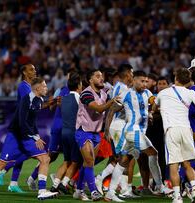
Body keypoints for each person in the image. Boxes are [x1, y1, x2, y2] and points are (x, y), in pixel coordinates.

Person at [0, 77, 58, 202]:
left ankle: (41, 191)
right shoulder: (26, 100)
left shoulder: (39, 99)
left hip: (27, 136)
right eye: (44, 86)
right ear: (37, 88)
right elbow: (22, 122)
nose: (47, 88)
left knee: (45, 158)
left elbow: (32, 121)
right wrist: (35, 137)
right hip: (15, 136)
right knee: (2, 163)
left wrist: (37, 136)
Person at [104, 71, 171, 202]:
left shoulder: (148, 93)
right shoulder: (126, 94)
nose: (145, 84)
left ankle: (110, 193)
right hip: (132, 131)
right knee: (153, 153)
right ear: (134, 81)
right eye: (142, 81)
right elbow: (112, 110)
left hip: (140, 131)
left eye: (146, 81)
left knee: (123, 161)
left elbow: (153, 103)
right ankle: (160, 186)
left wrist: (151, 113)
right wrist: (107, 130)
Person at [154, 68, 195, 203]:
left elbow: (154, 108)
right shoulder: (190, 93)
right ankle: (194, 189)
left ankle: (177, 196)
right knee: (187, 163)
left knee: (174, 165)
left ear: (176, 78)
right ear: (188, 80)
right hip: (187, 130)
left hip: (171, 131)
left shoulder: (163, 93)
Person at [27, 68, 76, 190]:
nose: (68, 79)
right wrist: (55, 103)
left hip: (63, 127)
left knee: (64, 157)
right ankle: (36, 178)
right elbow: (51, 108)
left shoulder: (63, 90)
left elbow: (51, 108)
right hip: (63, 127)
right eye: (68, 76)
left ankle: (59, 179)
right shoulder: (63, 90)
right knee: (56, 156)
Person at [73, 69, 119, 201]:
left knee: (88, 163)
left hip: (96, 133)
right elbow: (99, 109)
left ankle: (79, 190)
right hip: (83, 132)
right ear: (90, 80)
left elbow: (111, 109)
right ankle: (93, 192)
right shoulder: (86, 93)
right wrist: (112, 102)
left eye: (102, 76)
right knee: (89, 161)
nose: (101, 78)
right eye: (97, 76)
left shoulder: (104, 94)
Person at [96, 64, 135, 196]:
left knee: (121, 158)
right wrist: (107, 129)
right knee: (123, 158)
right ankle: (102, 180)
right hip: (118, 126)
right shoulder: (122, 89)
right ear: (127, 74)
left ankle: (116, 186)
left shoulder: (119, 87)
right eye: (132, 73)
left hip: (118, 125)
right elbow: (113, 109)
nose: (133, 76)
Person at [0, 64, 37, 193]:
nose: (34, 71)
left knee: (24, 152)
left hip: (25, 125)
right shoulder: (23, 86)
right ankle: (3, 171)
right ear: (25, 73)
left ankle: (13, 183)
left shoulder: (29, 87)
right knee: (28, 152)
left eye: (35, 69)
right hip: (21, 126)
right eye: (31, 69)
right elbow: (32, 102)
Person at [49, 72, 83, 195]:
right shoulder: (80, 98)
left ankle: (54, 186)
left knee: (66, 160)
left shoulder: (63, 99)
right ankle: (64, 184)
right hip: (74, 133)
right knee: (76, 161)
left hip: (64, 132)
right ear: (79, 85)